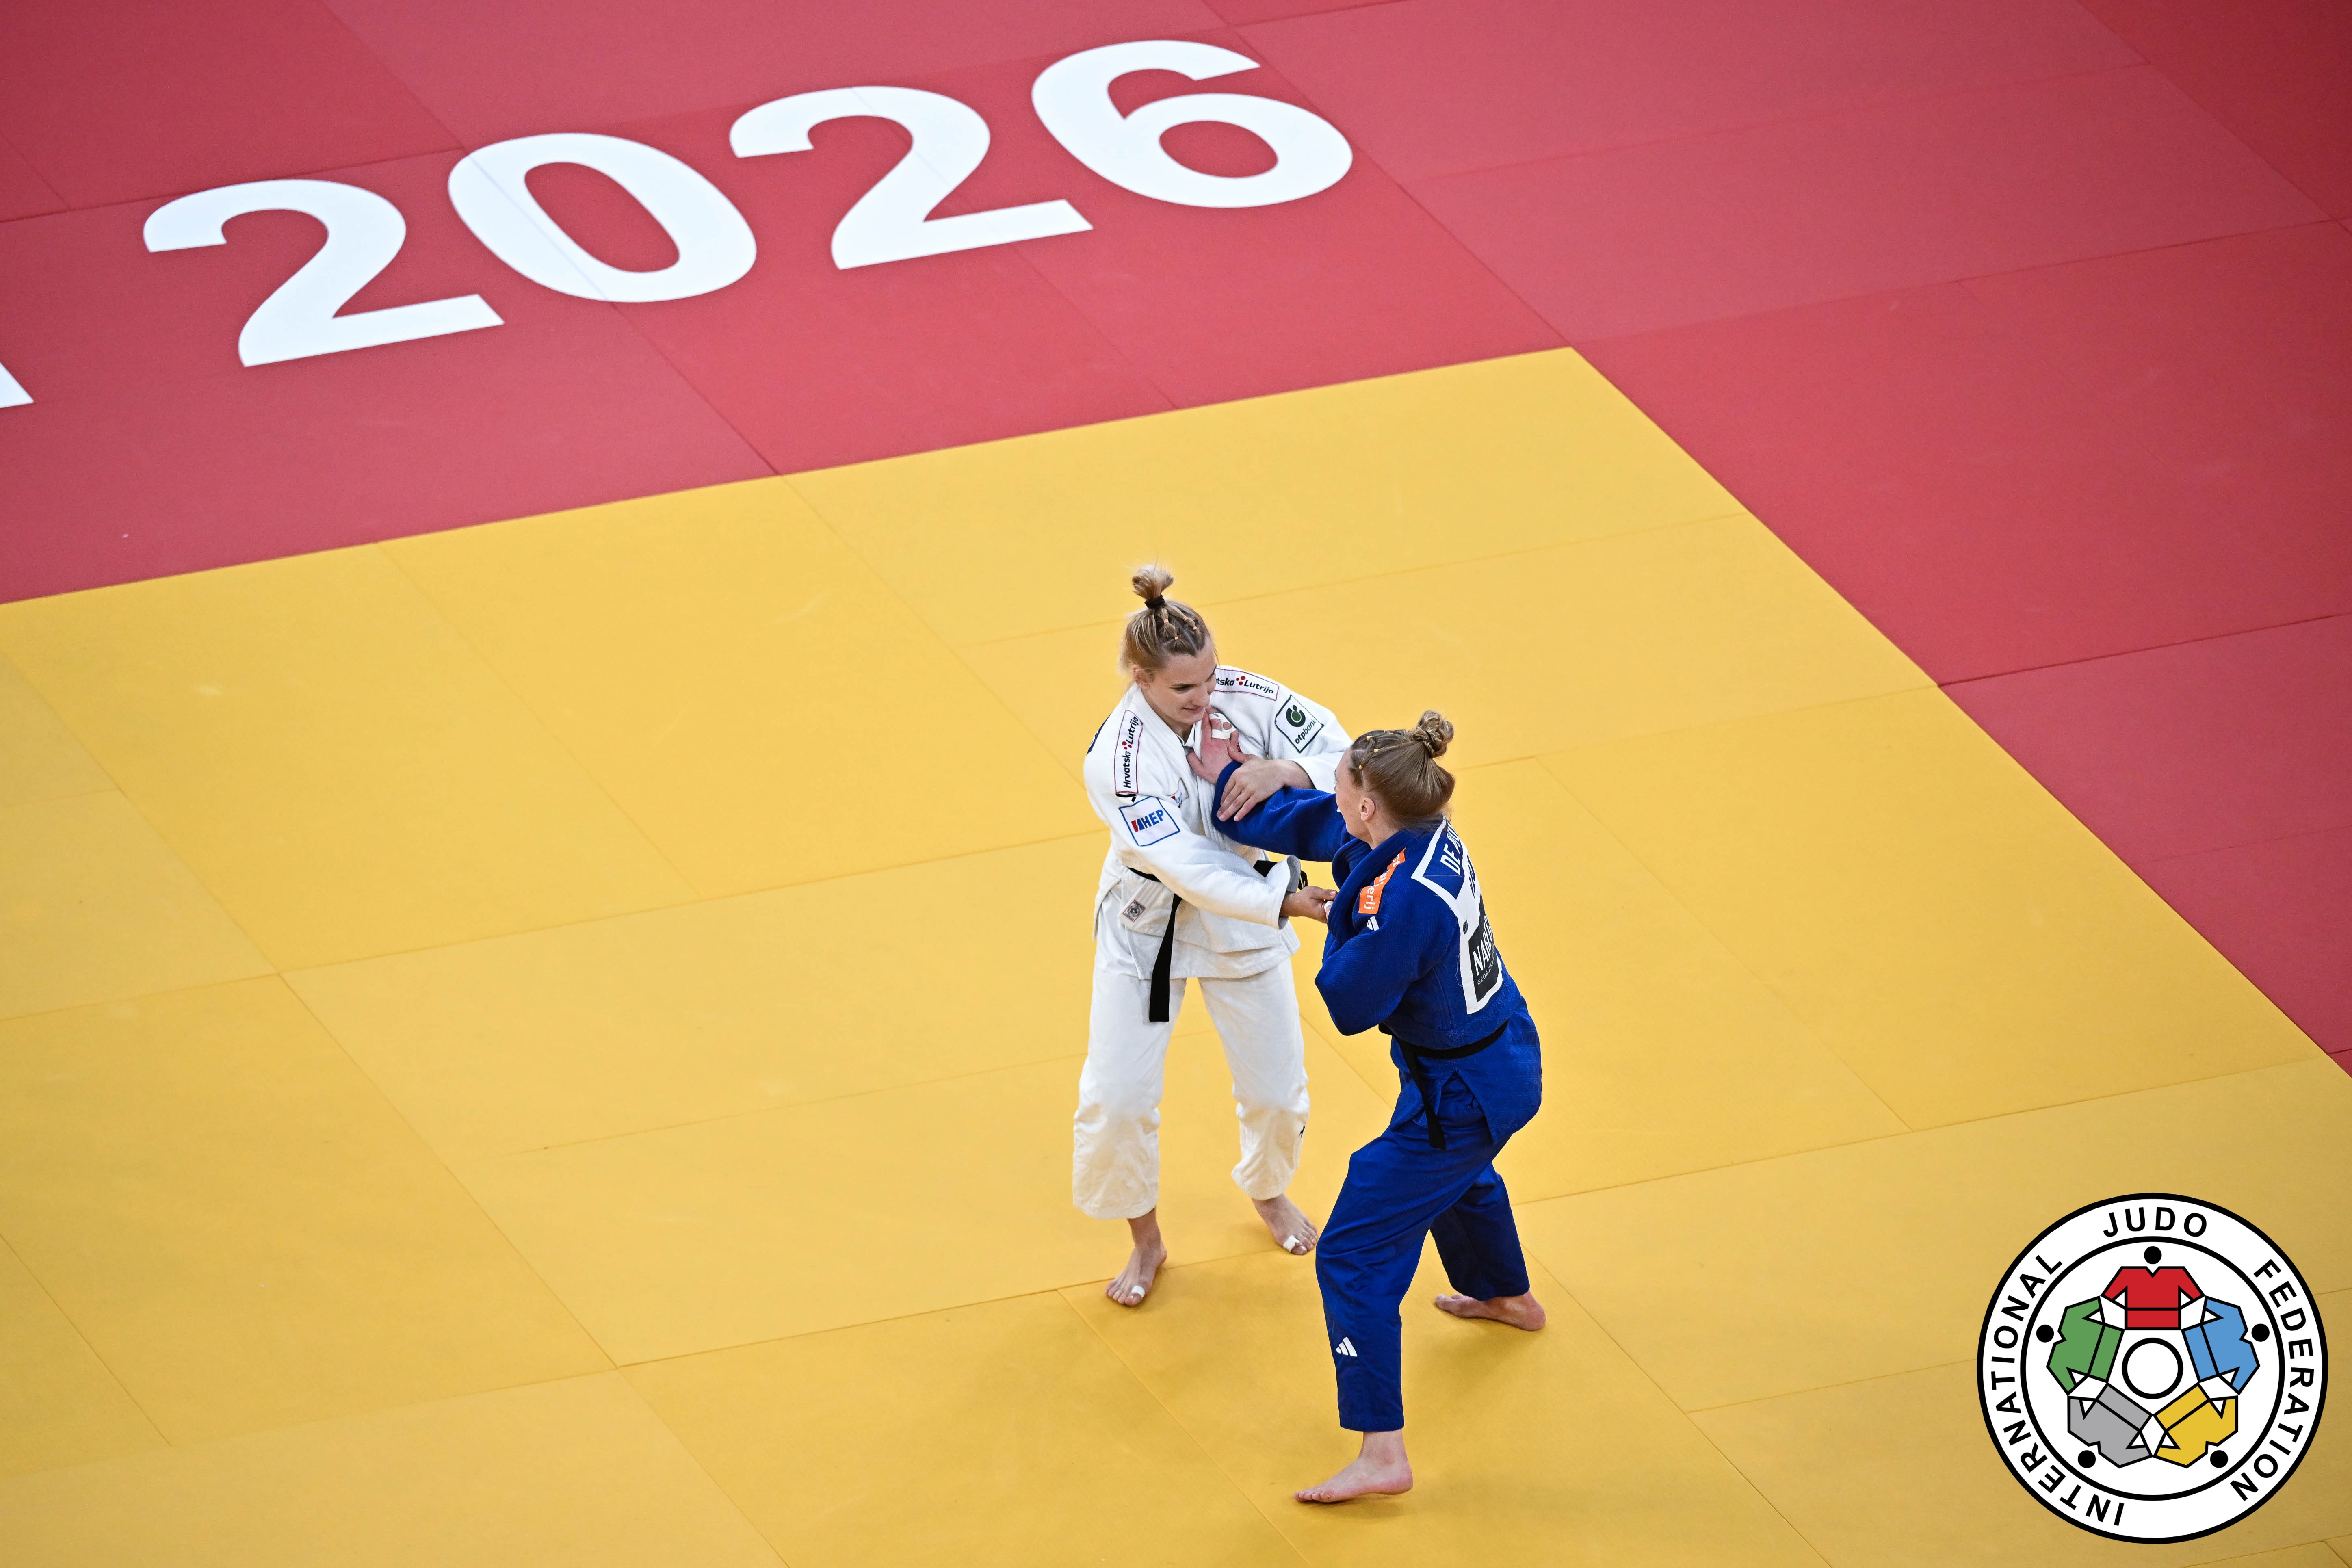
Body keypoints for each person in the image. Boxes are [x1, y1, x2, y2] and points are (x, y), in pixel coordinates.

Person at [1193, 710, 1544, 1503]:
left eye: (1340, 787)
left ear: (1366, 804)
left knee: (1352, 1251)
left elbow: (1350, 1002)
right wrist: (1231, 783)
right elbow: (1322, 825)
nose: (1334, 800)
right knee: (1458, 1176)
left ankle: (1382, 1451)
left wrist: (1331, 914)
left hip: (1463, 1092)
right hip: (1492, 1058)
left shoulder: (1400, 901)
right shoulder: (1420, 832)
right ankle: (1506, 1294)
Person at [1076, 565, 1350, 1309]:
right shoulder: (1119, 760)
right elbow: (1185, 866)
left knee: (1276, 1092)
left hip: (1244, 922)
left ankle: (1267, 1189)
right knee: (1119, 1098)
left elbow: (1348, 757)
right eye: (1182, 689)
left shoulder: (1246, 696)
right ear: (1140, 679)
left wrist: (1282, 769)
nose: (1203, 698)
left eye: (1208, 677)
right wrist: (1284, 901)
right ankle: (1145, 1239)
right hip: (1151, 927)